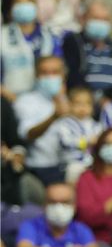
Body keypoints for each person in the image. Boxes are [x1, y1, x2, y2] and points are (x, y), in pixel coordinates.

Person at [15, 181, 102, 247]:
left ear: (74, 206)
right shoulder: (30, 226)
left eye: (65, 202)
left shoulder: (80, 229)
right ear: (44, 205)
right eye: (53, 202)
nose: (59, 208)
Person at [13, 55, 69, 188]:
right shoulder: (25, 101)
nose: (50, 77)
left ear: (63, 75)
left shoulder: (72, 99)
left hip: (67, 167)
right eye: (44, 72)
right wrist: (54, 117)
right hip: (39, 169)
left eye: (55, 72)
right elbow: (27, 134)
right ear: (37, 76)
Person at [1, 0, 64, 96]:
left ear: (35, 8)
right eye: (18, 3)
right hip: (8, 97)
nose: (23, 6)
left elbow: (59, 69)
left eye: (27, 2)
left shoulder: (49, 36)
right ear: (11, 10)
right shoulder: (2, 35)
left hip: (44, 97)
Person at [61, 0, 112, 100]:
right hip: (83, 102)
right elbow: (73, 79)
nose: (101, 23)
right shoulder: (73, 42)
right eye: (96, 18)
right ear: (83, 19)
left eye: (105, 19)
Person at [39, 87, 101, 185]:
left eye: (87, 103)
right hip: (71, 163)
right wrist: (86, 142)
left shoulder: (96, 125)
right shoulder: (64, 123)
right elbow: (66, 142)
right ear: (69, 105)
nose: (83, 107)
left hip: (92, 163)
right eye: (78, 103)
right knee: (74, 176)